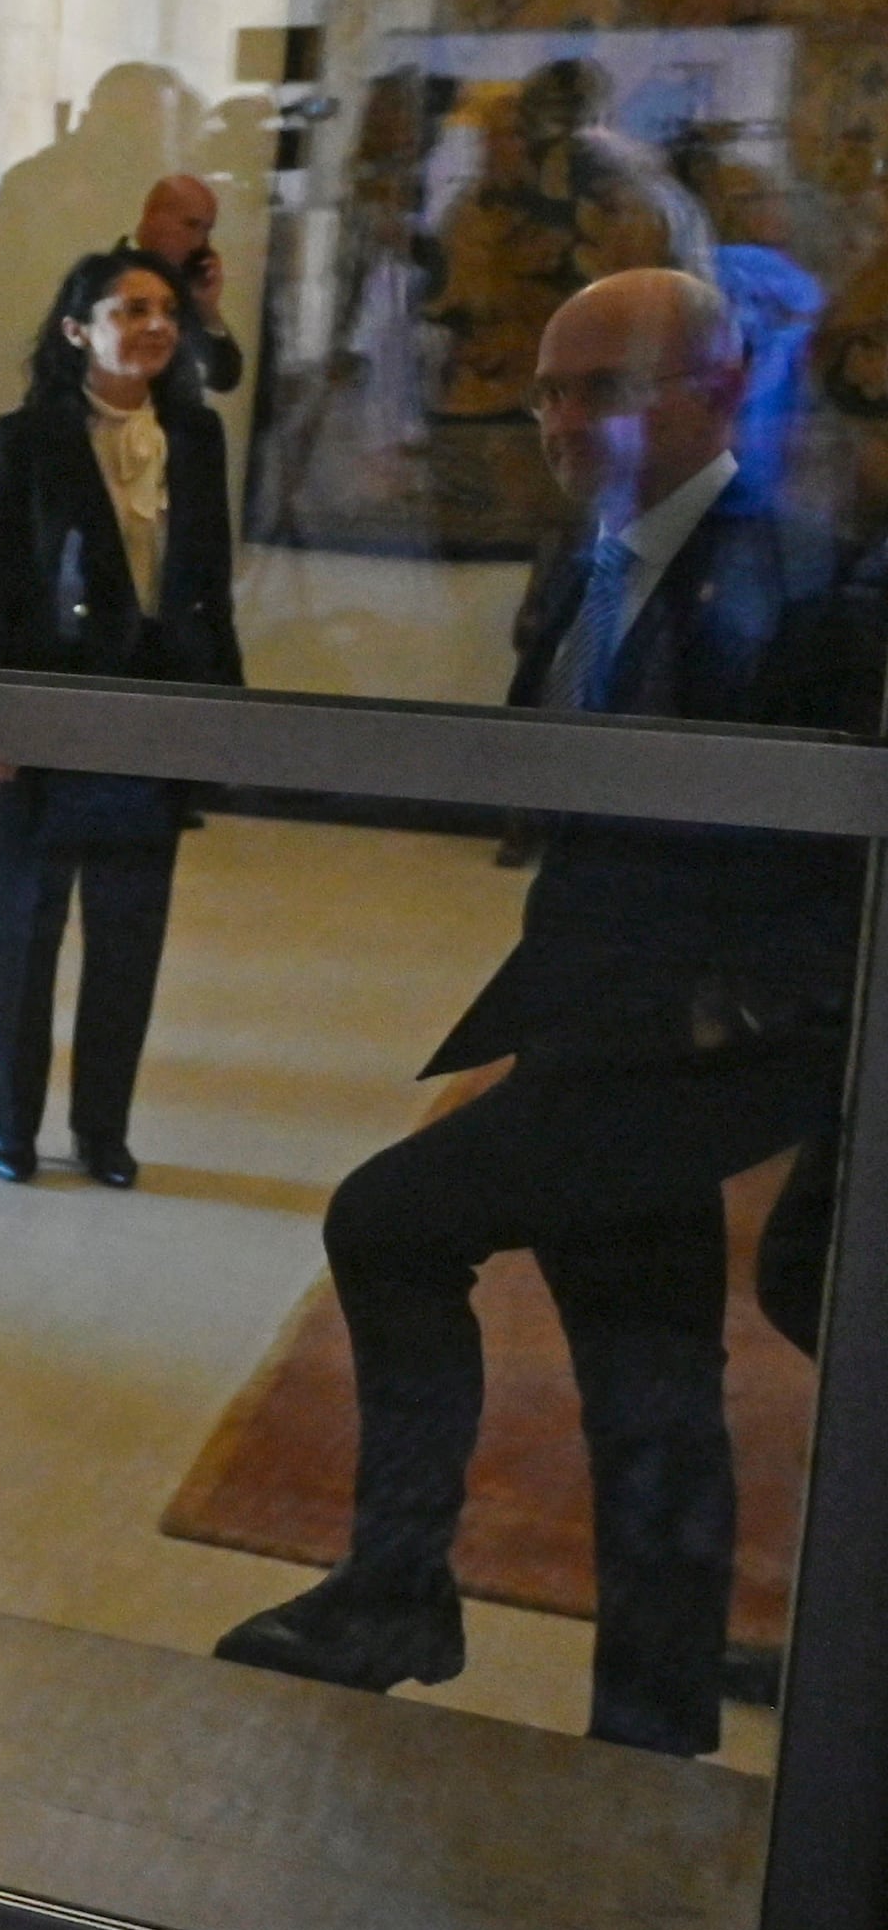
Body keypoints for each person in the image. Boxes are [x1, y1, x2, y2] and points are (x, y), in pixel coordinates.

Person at [217, 271, 873, 1759]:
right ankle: (655, 1724)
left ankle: (397, 1591)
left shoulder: (803, 577)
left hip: (691, 1047)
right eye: (551, 394)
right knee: (648, 1374)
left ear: (718, 392)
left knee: (389, 1218)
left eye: (606, 392)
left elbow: (824, 863)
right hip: (597, 1018)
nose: (566, 424)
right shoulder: (591, 553)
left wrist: (744, 1023)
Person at [0, 244, 243, 1185]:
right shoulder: (24, 437)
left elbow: (211, 589)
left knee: (129, 936)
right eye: (131, 309)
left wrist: (221, 719)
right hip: (50, 708)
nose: (155, 325)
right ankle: (12, 1127)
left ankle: (103, 1129)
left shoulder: (198, 437)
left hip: (153, 715)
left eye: (166, 309)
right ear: (79, 330)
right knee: (25, 935)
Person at [132, 173, 248, 397]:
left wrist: (208, 313)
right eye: (191, 225)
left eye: (206, 231)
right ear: (153, 217)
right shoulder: (111, 280)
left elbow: (224, 377)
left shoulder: (182, 289)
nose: (199, 242)